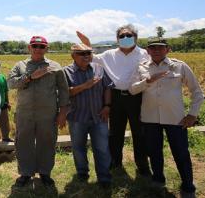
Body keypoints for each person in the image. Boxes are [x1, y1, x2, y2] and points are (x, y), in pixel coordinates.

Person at [129, 37, 204, 197]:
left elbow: (197, 92)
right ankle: (158, 180)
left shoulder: (179, 66)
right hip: (150, 119)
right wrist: (148, 81)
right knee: (154, 152)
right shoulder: (141, 67)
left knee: (181, 153)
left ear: (168, 49)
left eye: (160, 47)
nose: (156, 50)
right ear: (147, 51)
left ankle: (188, 186)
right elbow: (132, 89)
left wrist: (192, 114)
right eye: (152, 48)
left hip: (175, 119)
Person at [77, 25, 151, 175]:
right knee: (115, 133)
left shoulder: (144, 54)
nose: (125, 38)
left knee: (139, 132)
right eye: (122, 36)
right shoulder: (109, 54)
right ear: (117, 39)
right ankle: (115, 162)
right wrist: (87, 43)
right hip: (116, 97)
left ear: (135, 37)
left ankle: (142, 165)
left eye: (129, 35)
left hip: (137, 97)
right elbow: (91, 58)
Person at [8, 36, 70, 189]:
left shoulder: (55, 66)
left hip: (47, 114)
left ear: (46, 49)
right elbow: (11, 83)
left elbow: (63, 90)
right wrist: (29, 77)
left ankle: (45, 172)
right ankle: (26, 173)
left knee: (47, 142)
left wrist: (63, 112)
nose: (37, 49)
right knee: (23, 143)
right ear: (29, 48)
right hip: (25, 113)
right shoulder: (20, 65)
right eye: (34, 46)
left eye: (41, 46)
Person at [63, 43, 114, 188]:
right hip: (77, 117)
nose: (86, 56)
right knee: (78, 147)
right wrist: (85, 85)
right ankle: (82, 173)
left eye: (88, 53)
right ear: (73, 55)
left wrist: (107, 106)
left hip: (99, 117)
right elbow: (65, 92)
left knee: (102, 148)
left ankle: (104, 177)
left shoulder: (99, 69)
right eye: (81, 53)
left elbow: (107, 88)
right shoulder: (65, 72)